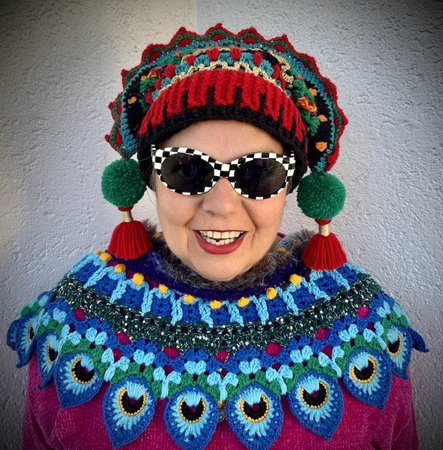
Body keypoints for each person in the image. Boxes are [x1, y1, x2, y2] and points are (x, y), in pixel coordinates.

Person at [7, 24, 427, 450]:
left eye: (259, 172)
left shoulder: (363, 324)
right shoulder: (75, 320)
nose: (222, 205)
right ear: (150, 179)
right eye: (187, 169)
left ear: (290, 185)